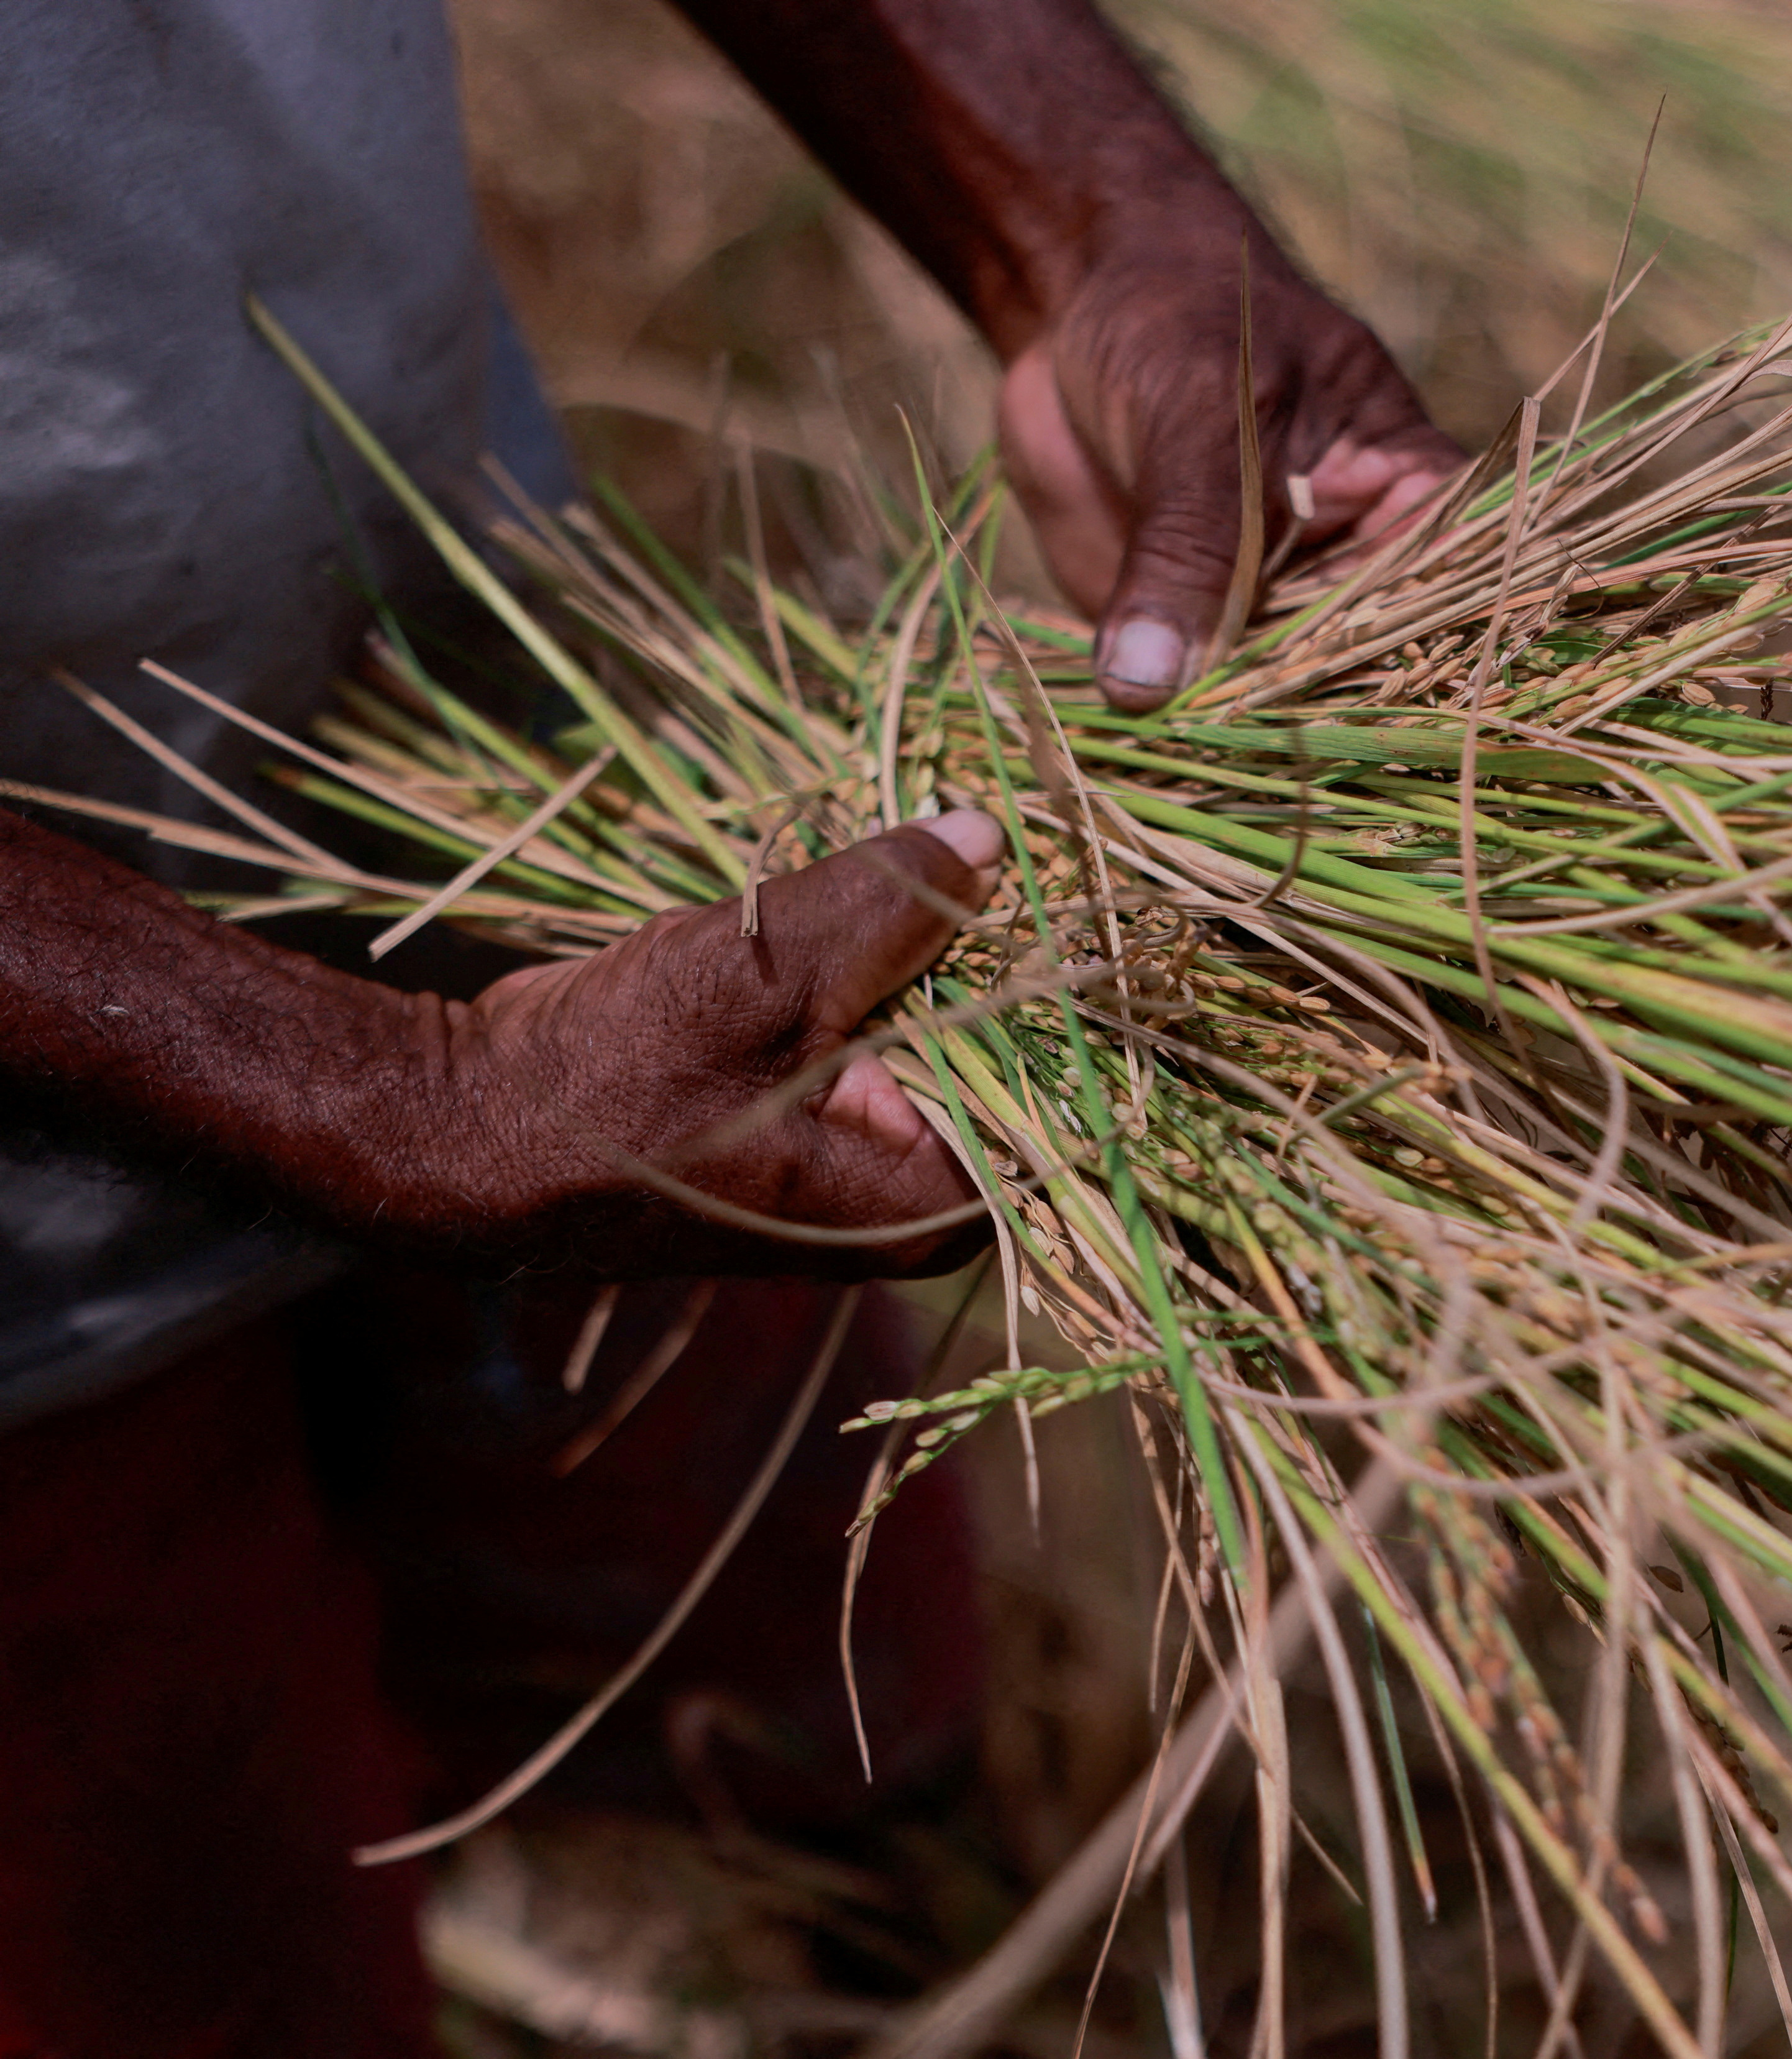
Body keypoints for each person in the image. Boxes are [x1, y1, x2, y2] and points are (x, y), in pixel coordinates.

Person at [0, 2, 1459, 2052]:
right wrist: (390, 1098)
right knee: (193, 1938)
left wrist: (1085, 211)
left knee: (795, 1697)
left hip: (547, 812)